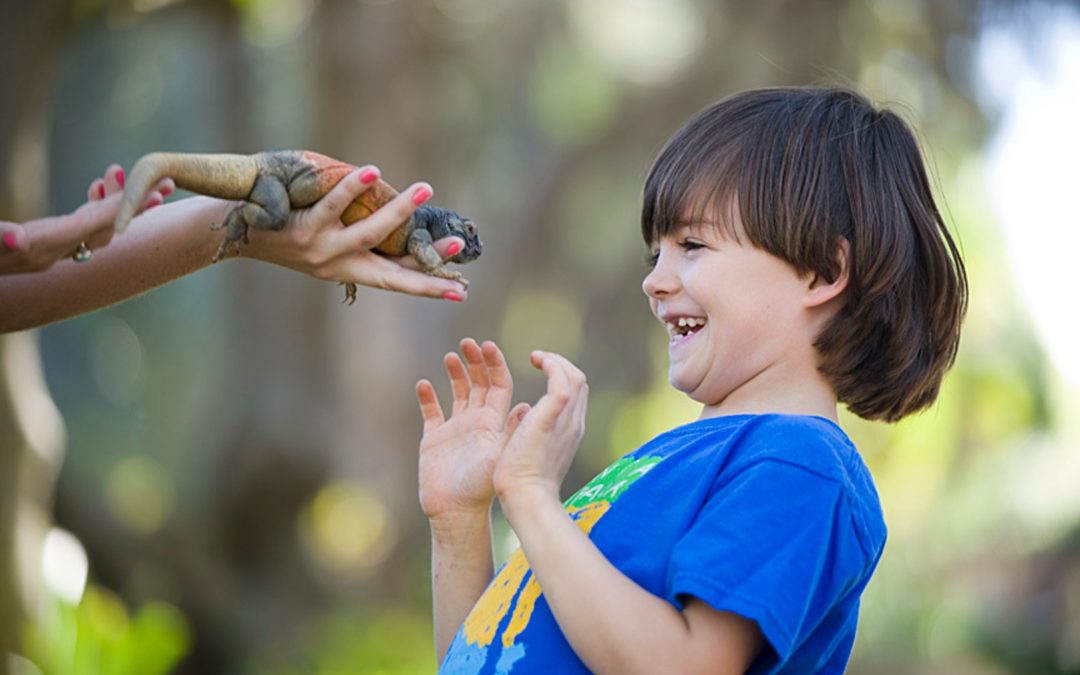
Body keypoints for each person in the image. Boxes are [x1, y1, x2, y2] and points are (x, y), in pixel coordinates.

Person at [415, 87, 968, 674]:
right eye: (657, 253)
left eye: (693, 245)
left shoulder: (799, 466)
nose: (655, 280)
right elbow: (482, 658)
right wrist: (459, 523)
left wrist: (530, 496)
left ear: (823, 271)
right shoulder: (666, 466)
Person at [0, 162, 468, 333]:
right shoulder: (420, 229)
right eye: (464, 229)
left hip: (282, 177)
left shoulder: (412, 226)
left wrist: (67, 244)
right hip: (280, 182)